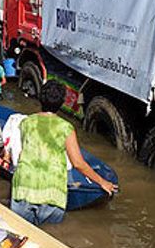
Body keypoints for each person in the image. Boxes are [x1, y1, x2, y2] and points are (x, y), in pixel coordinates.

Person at [11, 80, 117, 225]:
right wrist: (102, 182)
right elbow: (78, 163)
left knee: (22, 234)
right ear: (61, 102)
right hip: (52, 191)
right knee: (50, 238)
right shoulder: (66, 128)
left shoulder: (27, 122)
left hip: (24, 186)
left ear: (41, 99)